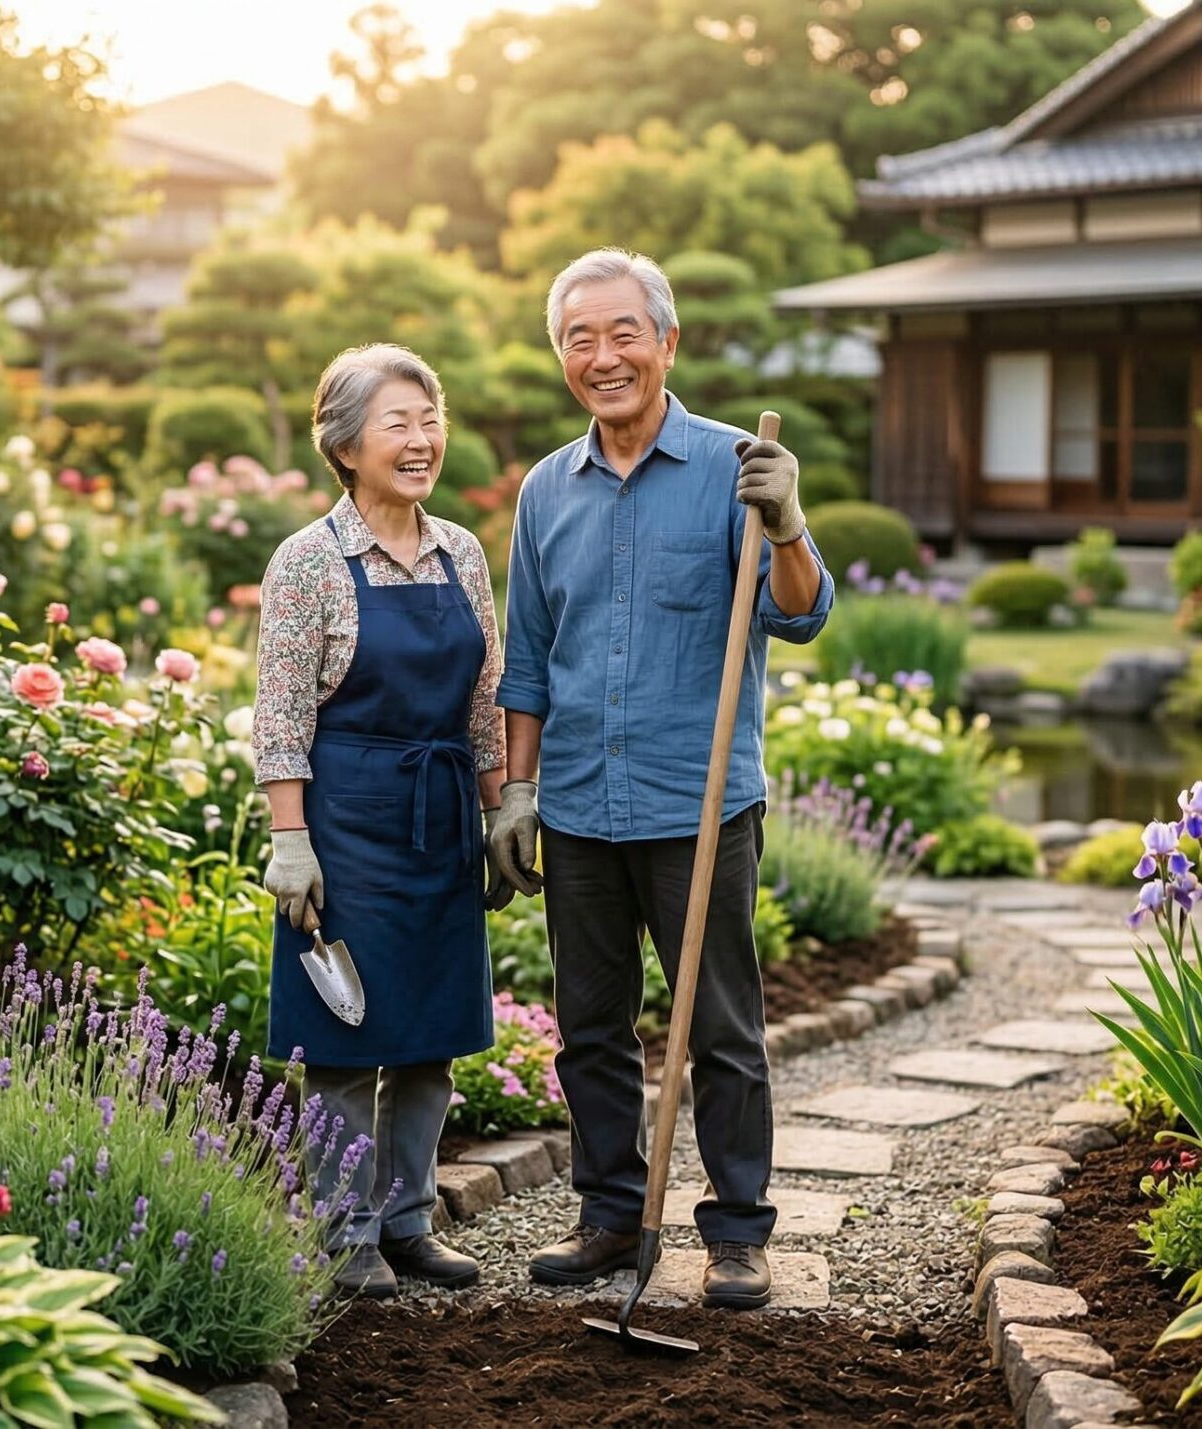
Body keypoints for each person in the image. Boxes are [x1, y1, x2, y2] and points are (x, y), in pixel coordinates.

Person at [487, 248, 834, 1309]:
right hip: (582, 803)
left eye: (622, 332)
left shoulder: (737, 466)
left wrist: (787, 523)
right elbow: (531, 658)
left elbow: (803, 611)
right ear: (562, 358)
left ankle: (735, 1231)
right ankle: (606, 1212)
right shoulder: (547, 489)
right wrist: (516, 788)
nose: (603, 355)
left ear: (666, 342)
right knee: (589, 1025)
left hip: (698, 800)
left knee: (721, 1024)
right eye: (578, 339)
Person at [254, 343, 510, 1298]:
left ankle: (407, 1220)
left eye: (429, 420)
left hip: (439, 815)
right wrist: (291, 840)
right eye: (398, 423)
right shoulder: (309, 561)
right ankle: (341, 1230)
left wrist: (500, 812)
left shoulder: (462, 551)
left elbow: (484, 699)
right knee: (347, 1039)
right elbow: (280, 713)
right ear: (345, 443)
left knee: (430, 1037)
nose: (421, 440)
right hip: (347, 822)